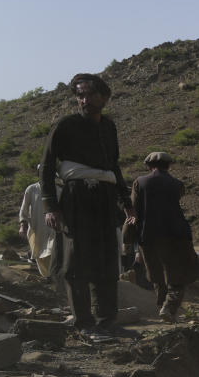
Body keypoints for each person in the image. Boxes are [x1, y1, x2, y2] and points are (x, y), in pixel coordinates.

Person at [40, 73, 134, 342]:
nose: (83, 100)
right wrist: (51, 206)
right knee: (77, 261)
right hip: (76, 197)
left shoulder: (109, 127)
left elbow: (113, 166)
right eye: (79, 95)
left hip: (104, 198)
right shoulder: (66, 125)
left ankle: (107, 321)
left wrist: (126, 203)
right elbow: (46, 167)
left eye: (89, 94)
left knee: (106, 259)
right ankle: (84, 323)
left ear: (104, 97)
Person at [131, 152, 199, 322]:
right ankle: (169, 308)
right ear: (168, 166)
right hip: (175, 235)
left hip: (148, 235)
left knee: (156, 276)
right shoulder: (177, 184)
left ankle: (163, 308)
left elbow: (134, 210)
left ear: (148, 166)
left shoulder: (139, 182)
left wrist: (131, 240)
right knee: (178, 276)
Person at [18, 165, 56, 277]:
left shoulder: (58, 189)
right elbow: (24, 209)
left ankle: (54, 276)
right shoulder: (32, 189)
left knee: (52, 251)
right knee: (39, 253)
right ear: (38, 174)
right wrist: (22, 225)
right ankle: (47, 277)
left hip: (53, 229)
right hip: (37, 228)